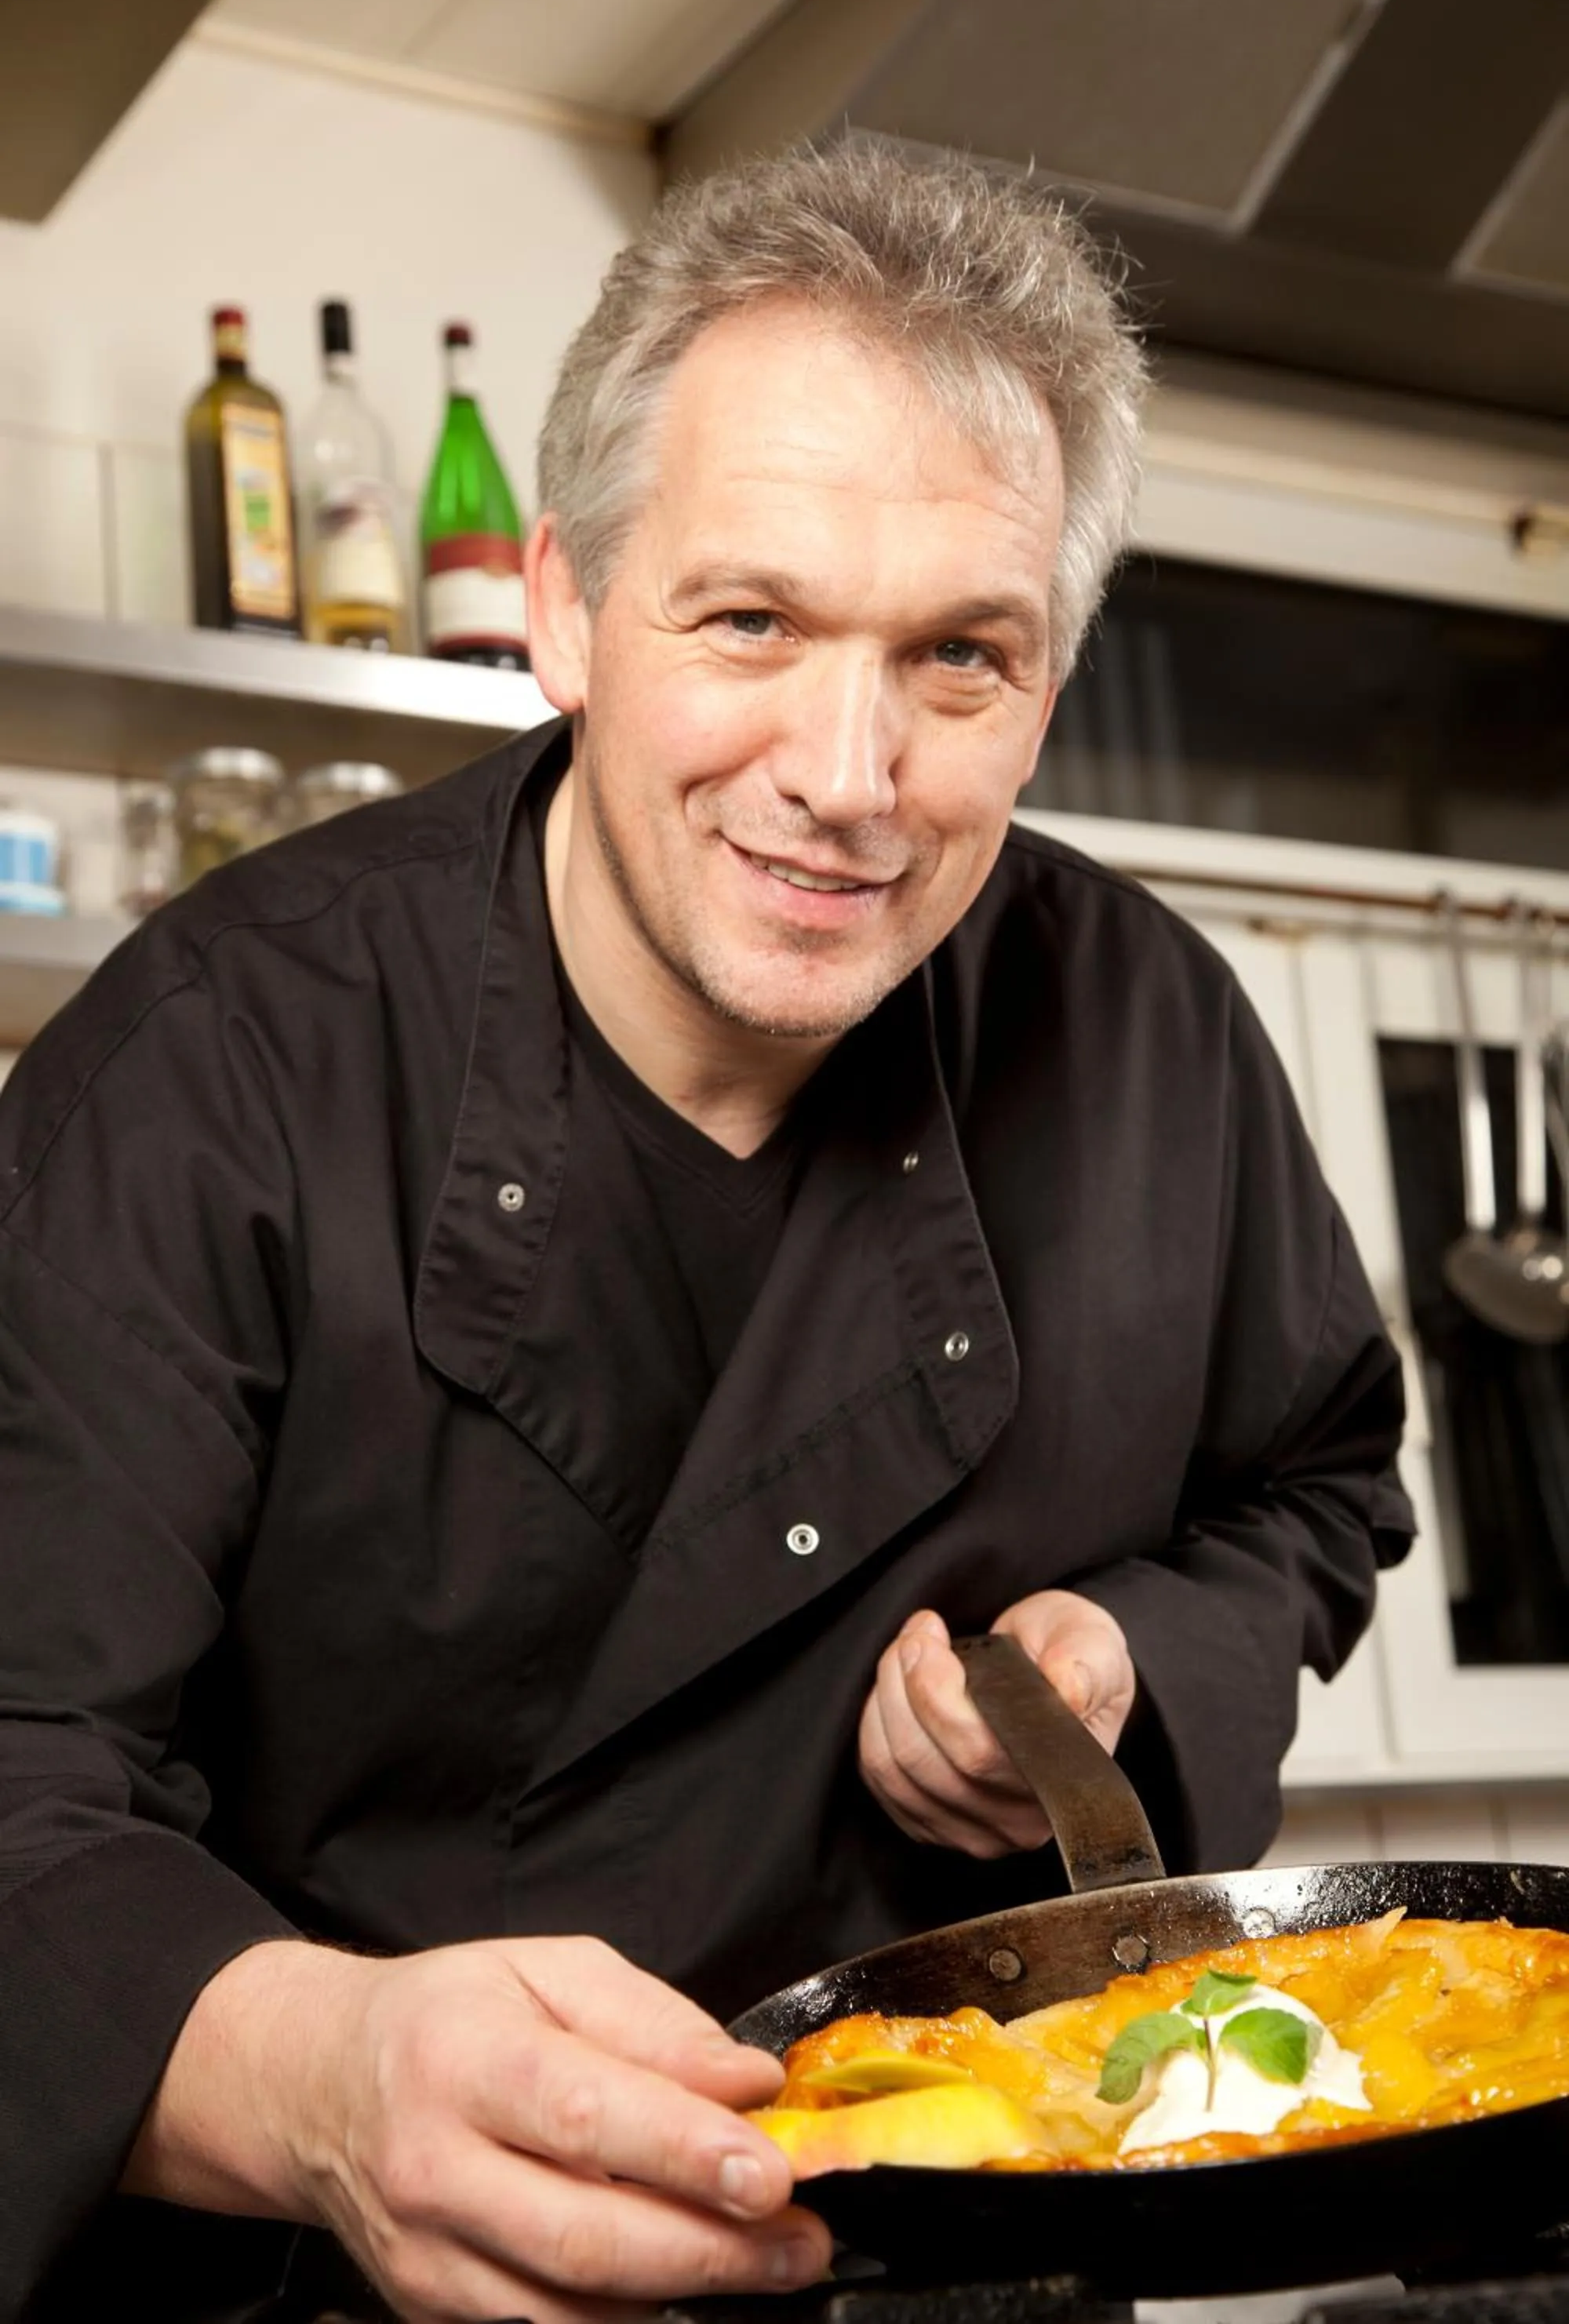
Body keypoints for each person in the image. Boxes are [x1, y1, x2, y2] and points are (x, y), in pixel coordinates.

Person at [0, 144, 1412, 2322]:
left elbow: (1314, 1491)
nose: (848, 773)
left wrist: (1125, 1659)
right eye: (749, 620)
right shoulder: (218, 1064)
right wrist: (320, 2078)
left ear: (1053, 676)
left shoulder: (1154, 1038)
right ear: (563, 608)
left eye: (962, 658)